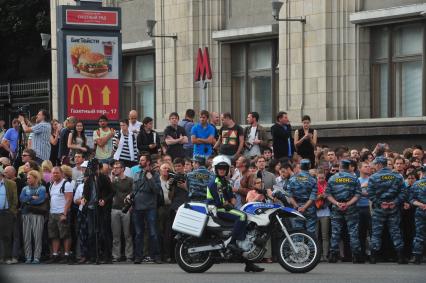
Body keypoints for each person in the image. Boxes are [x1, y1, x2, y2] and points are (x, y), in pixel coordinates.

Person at [207, 155, 264, 272]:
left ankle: (249, 263)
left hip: (224, 208)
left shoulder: (226, 182)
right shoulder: (215, 182)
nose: (222, 170)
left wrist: (230, 201)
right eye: (220, 168)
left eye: (224, 168)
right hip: (217, 210)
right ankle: (232, 242)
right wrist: (229, 202)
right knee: (243, 216)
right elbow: (222, 202)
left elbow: (232, 197)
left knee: (247, 223)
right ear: (215, 169)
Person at [368, 156, 407, 264]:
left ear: (380, 164)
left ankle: (373, 257)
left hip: (379, 209)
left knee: (376, 233)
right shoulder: (397, 176)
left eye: (375, 164)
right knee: (396, 232)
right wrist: (395, 202)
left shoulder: (373, 177)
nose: (374, 166)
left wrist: (381, 203)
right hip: (394, 208)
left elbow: (371, 194)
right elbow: (403, 193)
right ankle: (400, 256)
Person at [326, 159, 363, 263]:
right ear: (349, 167)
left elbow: (327, 194)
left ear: (341, 167)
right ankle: (356, 256)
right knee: (353, 232)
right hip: (351, 208)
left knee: (335, 232)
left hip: (336, 207)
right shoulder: (354, 178)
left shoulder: (333, 178)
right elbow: (358, 194)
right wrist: (348, 203)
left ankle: (333, 255)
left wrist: (337, 203)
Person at [130, 154, 162, 264]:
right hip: (137, 207)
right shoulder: (136, 174)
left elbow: (157, 190)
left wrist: (150, 177)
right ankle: (138, 256)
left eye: (142, 160)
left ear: (148, 162)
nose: (140, 161)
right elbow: (134, 190)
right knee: (138, 233)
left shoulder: (155, 175)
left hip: (150, 207)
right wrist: (130, 197)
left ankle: (156, 256)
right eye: (140, 160)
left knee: (153, 232)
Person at [82, 159, 114, 264]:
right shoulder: (89, 179)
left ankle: (106, 256)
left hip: (102, 209)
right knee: (92, 233)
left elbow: (112, 192)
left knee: (103, 232)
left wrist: (104, 200)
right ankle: (93, 255)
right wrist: (84, 199)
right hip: (91, 208)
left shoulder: (104, 178)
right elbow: (85, 193)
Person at [46, 167, 74, 263]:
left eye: (57, 173)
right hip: (52, 213)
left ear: (62, 174)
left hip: (62, 213)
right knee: (54, 235)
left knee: (65, 235)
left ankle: (66, 255)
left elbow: (69, 199)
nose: (55, 175)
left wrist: (64, 213)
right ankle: (55, 255)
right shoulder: (51, 185)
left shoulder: (66, 184)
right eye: (53, 173)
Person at [110, 161, 133, 262]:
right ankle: (116, 256)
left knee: (127, 234)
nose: (115, 169)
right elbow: (109, 191)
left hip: (126, 209)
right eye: (114, 168)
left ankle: (129, 255)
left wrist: (131, 204)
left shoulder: (130, 180)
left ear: (123, 169)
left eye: (117, 167)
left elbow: (133, 192)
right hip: (115, 209)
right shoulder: (113, 181)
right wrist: (111, 178)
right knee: (116, 235)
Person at [287, 159, 317, 234]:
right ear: (309, 166)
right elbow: (312, 197)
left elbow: (289, 196)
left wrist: (297, 206)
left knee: (298, 231)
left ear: (300, 166)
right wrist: (304, 207)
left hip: (297, 208)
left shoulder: (292, 179)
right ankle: (311, 246)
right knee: (311, 232)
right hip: (310, 209)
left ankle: (298, 246)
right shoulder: (313, 180)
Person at [0, 166, 18, 264]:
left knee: (7, 236)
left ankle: (7, 257)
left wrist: (11, 211)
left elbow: (15, 200)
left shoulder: (11, 184)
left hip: (7, 212)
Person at [409, 165, 426, 264]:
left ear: (421, 173)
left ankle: (417, 257)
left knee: (419, 234)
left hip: (421, 210)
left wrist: (422, 205)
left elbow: (411, 200)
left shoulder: (416, 184)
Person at [357, 162, 371, 258]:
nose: (368, 168)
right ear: (359, 168)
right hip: (358, 208)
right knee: (360, 232)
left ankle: (371, 254)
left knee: (371, 232)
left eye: (369, 166)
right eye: (365, 167)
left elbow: (373, 193)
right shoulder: (356, 180)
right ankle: (361, 254)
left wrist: (359, 192)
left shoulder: (372, 180)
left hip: (369, 208)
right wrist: (362, 188)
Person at [315, 170, 330, 261]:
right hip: (315, 212)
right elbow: (312, 198)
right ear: (316, 177)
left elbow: (331, 197)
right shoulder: (314, 186)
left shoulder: (328, 186)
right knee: (315, 235)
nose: (321, 179)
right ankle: (317, 255)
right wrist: (320, 196)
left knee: (325, 235)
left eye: (322, 178)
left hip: (325, 212)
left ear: (325, 178)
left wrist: (326, 196)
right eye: (319, 178)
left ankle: (325, 255)